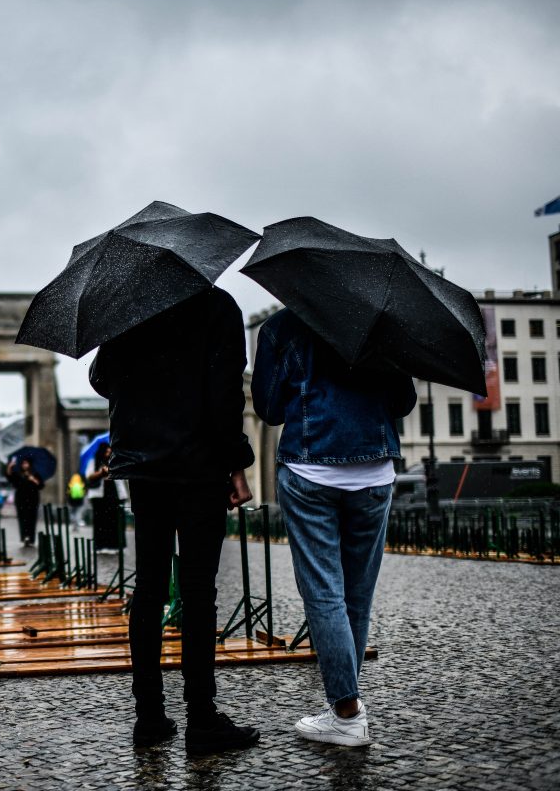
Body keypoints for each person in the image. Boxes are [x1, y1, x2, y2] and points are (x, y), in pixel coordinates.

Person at [89, 286, 258, 753]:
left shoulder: (128, 305)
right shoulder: (218, 306)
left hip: (144, 465)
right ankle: (201, 720)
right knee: (199, 591)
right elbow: (226, 395)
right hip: (200, 465)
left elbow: (103, 379)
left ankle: (149, 717)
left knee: (149, 588)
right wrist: (236, 464)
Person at [252, 308, 416, 748]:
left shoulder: (283, 327)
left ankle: (346, 712)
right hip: (375, 471)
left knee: (324, 593)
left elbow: (267, 409)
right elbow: (402, 402)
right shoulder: (380, 322)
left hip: (310, 470)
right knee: (357, 596)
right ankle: (347, 705)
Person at [85, 442, 122, 552]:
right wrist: (101, 473)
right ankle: (100, 545)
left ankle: (113, 545)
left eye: (109, 451)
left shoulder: (114, 461)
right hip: (99, 495)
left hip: (112, 493)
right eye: (106, 451)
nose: (108, 453)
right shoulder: (94, 461)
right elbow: (89, 476)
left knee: (113, 520)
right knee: (100, 520)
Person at [6, 457, 44, 546]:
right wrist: (9, 467)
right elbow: (10, 478)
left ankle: (31, 538)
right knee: (22, 519)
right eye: (23, 464)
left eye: (26, 463)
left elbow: (41, 485)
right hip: (21, 500)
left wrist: (33, 479)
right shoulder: (18, 474)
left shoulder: (35, 474)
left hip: (32, 500)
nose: (25, 465)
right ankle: (24, 537)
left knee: (31, 519)